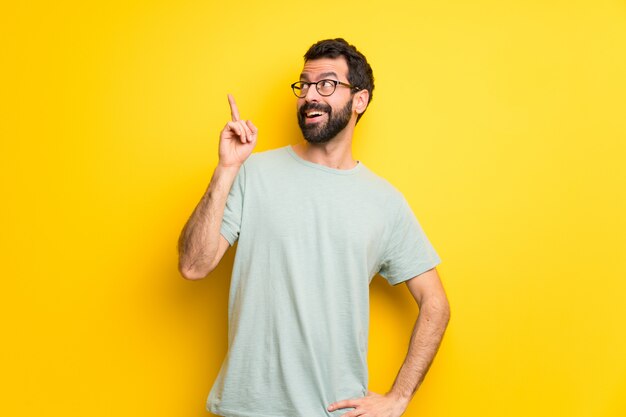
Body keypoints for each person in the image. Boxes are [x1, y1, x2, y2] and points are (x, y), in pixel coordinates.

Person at [178, 38, 450, 417]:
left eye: (326, 84)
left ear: (359, 100)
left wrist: (398, 396)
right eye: (304, 85)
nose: (309, 96)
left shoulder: (384, 202)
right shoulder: (253, 173)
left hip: (334, 411)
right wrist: (226, 169)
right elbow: (193, 266)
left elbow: (435, 304)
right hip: (248, 409)